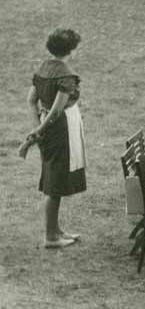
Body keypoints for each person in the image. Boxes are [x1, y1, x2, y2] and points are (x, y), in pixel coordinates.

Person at [23, 28, 86, 248]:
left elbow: (32, 100)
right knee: (55, 182)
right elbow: (57, 110)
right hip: (60, 129)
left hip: (48, 126)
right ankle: (51, 235)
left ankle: (56, 229)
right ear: (71, 50)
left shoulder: (42, 68)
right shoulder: (66, 75)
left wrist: (37, 127)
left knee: (53, 177)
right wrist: (40, 129)